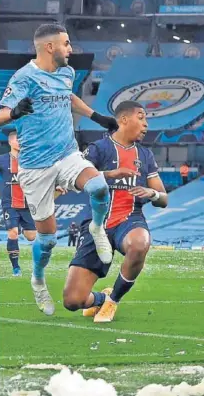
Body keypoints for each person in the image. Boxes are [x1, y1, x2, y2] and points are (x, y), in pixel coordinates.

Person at [0, 24, 118, 316]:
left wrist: (96, 116)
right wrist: (14, 113)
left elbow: (68, 96)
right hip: (36, 167)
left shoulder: (67, 73)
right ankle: (38, 279)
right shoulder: (24, 78)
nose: (71, 49)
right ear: (49, 47)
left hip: (67, 154)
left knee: (99, 187)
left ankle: (97, 228)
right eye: (66, 44)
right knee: (48, 240)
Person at [64, 101, 168, 323]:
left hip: (130, 220)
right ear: (123, 119)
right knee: (73, 301)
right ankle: (101, 298)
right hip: (97, 223)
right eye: (141, 117)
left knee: (140, 243)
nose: (146, 124)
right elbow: (76, 179)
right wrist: (110, 174)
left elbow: (163, 198)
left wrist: (151, 193)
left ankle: (113, 300)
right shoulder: (98, 149)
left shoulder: (145, 156)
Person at [0, 129, 37, 275]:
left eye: (22, 140)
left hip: (27, 203)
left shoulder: (30, 159)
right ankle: (16, 268)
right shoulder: (1, 159)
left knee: (31, 236)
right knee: (13, 232)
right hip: (9, 203)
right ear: (10, 142)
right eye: (17, 140)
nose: (20, 143)